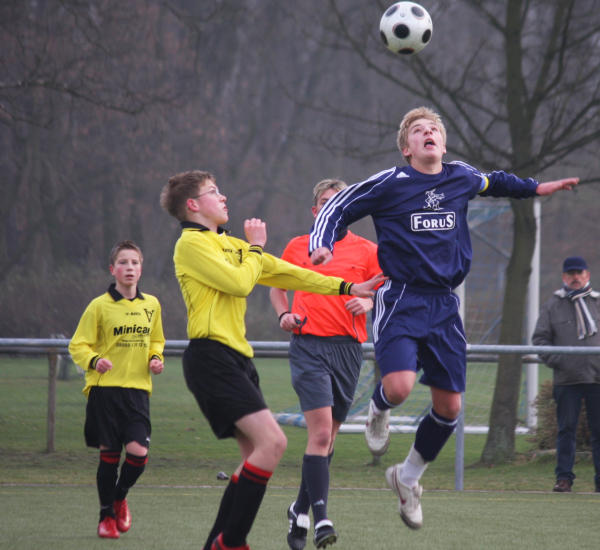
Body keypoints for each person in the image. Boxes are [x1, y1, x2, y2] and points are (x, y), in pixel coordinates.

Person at [308, 106, 579, 529]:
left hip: (444, 305)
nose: (428, 133)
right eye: (418, 130)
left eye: (433, 128)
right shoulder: (390, 182)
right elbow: (339, 205)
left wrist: (536, 187)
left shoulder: (460, 176)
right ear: (407, 148)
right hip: (401, 296)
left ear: (444, 143)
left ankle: (407, 478)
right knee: (399, 387)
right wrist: (321, 242)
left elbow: (496, 181)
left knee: (450, 408)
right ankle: (378, 407)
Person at [159, 170, 385, 550]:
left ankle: (217, 542)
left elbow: (293, 274)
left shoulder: (229, 244)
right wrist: (257, 247)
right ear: (193, 205)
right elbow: (240, 283)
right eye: (214, 192)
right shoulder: (191, 245)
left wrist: (348, 287)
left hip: (239, 358)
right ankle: (233, 542)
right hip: (211, 357)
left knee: (254, 455)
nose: (223, 197)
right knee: (274, 442)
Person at [270, 179, 380, 550]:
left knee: (328, 439)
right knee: (319, 435)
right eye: (325, 202)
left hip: (348, 350)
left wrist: (369, 302)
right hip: (308, 346)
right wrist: (284, 314)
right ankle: (321, 520)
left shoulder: (368, 250)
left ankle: (298, 510)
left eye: (340, 201)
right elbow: (277, 287)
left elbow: (388, 286)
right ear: (316, 210)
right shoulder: (297, 246)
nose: (332, 207)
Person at [68, 240, 165, 539]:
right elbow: (78, 345)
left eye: (134, 262)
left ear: (141, 269)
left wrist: (155, 358)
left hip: (137, 392)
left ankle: (119, 498)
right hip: (105, 392)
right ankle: (105, 518)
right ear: (113, 269)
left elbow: (156, 340)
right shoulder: (99, 306)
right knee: (109, 457)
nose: (129, 268)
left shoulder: (152, 305)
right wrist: (95, 360)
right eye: (123, 262)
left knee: (138, 454)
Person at [532, 256, 600, 493]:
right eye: (571, 274)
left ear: (587, 275)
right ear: (564, 277)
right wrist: (561, 362)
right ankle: (564, 479)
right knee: (566, 431)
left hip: (597, 378)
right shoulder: (552, 305)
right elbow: (540, 340)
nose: (575, 278)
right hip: (567, 379)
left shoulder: (597, 302)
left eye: (579, 273)